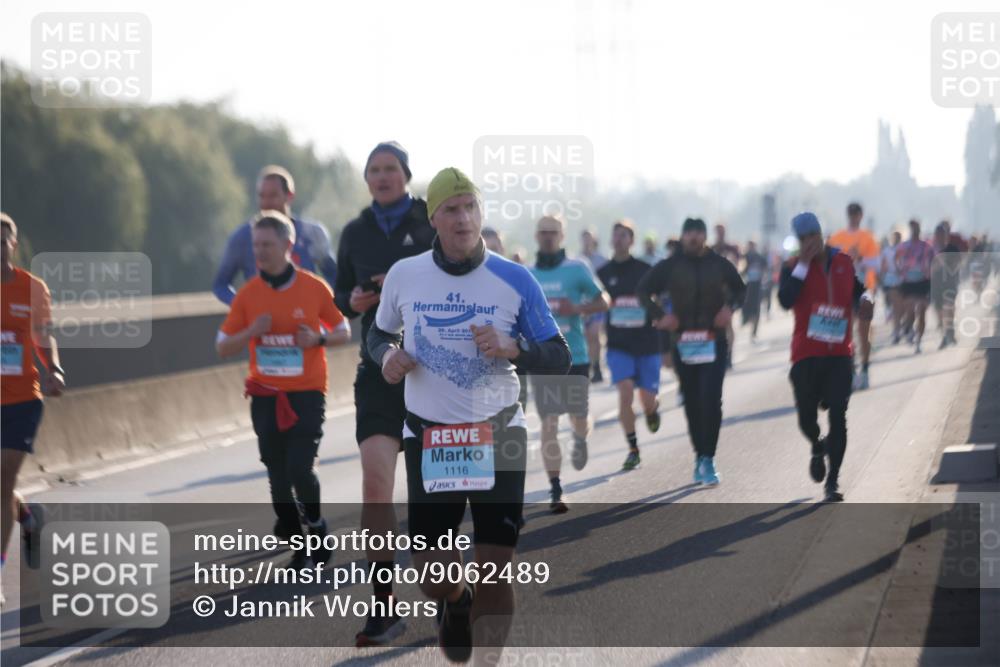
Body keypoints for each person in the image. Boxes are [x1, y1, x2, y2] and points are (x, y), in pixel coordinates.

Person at [367, 167, 570, 663]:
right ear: (433, 217)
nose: (463, 218)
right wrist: (387, 357)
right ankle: (456, 603)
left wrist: (513, 345)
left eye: (471, 207)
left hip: (498, 432)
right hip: (430, 437)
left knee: (495, 567)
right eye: (451, 210)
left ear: (482, 213)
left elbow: (559, 356)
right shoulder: (405, 275)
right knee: (434, 575)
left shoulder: (514, 278)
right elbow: (377, 334)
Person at [333, 141, 435, 646]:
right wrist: (353, 299)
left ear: (406, 174)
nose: (381, 176)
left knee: (432, 495)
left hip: (436, 373)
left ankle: (449, 594)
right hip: (378, 369)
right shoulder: (354, 232)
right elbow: (339, 299)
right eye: (373, 170)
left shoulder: (433, 220)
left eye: (390, 168)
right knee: (376, 487)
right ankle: (383, 607)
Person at [216, 210, 350, 570]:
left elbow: (343, 331)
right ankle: (297, 542)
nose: (259, 252)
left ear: (288, 245)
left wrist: (317, 337)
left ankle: (317, 527)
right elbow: (223, 345)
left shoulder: (314, 287)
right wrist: (251, 331)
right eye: (256, 245)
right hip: (264, 395)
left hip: (306, 393)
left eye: (267, 244)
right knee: (276, 478)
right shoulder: (248, 295)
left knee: (299, 469)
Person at [638, 218, 745, 486]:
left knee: (712, 399)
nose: (693, 238)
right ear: (683, 236)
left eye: (698, 233)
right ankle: (699, 454)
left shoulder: (718, 264)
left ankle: (708, 458)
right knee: (693, 402)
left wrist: (729, 309)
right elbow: (643, 291)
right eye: (689, 233)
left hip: (714, 340)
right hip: (683, 343)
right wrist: (661, 316)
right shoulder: (671, 266)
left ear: (705, 236)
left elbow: (740, 289)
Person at [779, 212, 873, 502]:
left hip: (839, 356)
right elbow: (785, 300)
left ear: (822, 235)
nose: (811, 243)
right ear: (799, 241)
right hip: (806, 355)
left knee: (838, 415)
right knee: (807, 419)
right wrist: (804, 266)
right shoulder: (793, 267)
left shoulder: (843, 261)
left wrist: (866, 300)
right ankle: (817, 447)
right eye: (804, 239)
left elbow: (859, 291)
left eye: (814, 236)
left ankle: (832, 482)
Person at [1, 213, 65, 585]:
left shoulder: (33, 288)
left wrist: (53, 368)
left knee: (4, 477)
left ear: (13, 243)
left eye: (2, 240)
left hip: (23, 397)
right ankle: (27, 518)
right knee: (1, 488)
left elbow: (43, 336)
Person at [530, 215, 609, 512]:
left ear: (562, 236)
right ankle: (555, 489)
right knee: (549, 422)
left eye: (553, 232)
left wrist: (576, 308)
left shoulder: (577, 269)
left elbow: (604, 301)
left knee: (578, 420)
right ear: (536, 237)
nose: (548, 237)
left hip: (576, 356)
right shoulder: (528, 273)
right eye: (543, 233)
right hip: (544, 359)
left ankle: (582, 432)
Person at [212, 165, 338, 305]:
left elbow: (335, 278)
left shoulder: (311, 233)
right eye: (262, 196)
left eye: (273, 195)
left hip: (305, 320)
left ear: (290, 196)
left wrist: (324, 307)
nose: (266, 203)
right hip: (265, 322)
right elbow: (221, 285)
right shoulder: (242, 237)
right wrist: (244, 307)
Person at [596, 220, 662, 471]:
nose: (619, 240)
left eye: (624, 236)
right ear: (611, 240)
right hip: (618, 344)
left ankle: (653, 409)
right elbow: (595, 300)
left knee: (646, 398)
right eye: (615, 236)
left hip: (646, 343)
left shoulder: (645, 269)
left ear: (631, 241)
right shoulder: (602, 273)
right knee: (625, 392)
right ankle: (633, 448)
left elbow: (657, 300)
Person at [828, 203, 879, 388]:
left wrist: (859, 258)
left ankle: (865, 368)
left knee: (863, 332)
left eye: (856, 214)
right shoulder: (836, 238)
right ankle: (851, 368)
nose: (853, 217)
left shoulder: (868, 237)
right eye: (850, 214)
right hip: (844, 291)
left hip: (865, 289)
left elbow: (876, 263)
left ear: (861, 215)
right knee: (846, 333)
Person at [894, 219, 936, 354]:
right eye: (913, 228)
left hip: (923, 281)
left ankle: (919, 340)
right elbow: (896, 259)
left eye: (917, 228)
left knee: (922, 312)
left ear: (919, 229)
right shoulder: (904, 246)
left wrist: (931, 272)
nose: (915, 231)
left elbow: (935, 261)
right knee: (910, 310)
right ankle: (910, 329)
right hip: (908, 282)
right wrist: (900, 270)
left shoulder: (927, 246)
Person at [580, 229, 608, 382]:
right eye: (584, 239)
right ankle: (589, 364)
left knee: (595, 335)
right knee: (586, 337)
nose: (586, 242)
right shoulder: (578, 259)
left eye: (588, 238)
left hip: (597, 303)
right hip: (583, 304)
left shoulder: (602, 260)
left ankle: (597, 367)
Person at [712, 224, 740, 367]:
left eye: (722, 231)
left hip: (729, 291)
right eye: (718, 232)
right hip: (714, 292)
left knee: (728, 323)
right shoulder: (711, 249)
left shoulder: (732, 248)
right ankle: (719, 353)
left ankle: (728, 355)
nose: (720, 234)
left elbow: (740, 265)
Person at [931, 223, 961, 349]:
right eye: (938, 235)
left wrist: (944, 262)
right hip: (936, 285)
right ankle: (945, 334)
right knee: (939, 312)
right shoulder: (931, 249)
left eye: (942, 235)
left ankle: (950, 332)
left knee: (949, 308)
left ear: (946, 235)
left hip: (950, 283)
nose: (940, 237)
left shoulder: (952, 249)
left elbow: (957, 265)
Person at [879, 231, 903, 341]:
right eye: (894, 238)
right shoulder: (886, 251)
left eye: (897, 238)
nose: (895, 240)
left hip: (901, 280)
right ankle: (896, 331)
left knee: (899, 307)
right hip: (890, 279)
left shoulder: (903, 250)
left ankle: (898, 329)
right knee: (895, 306)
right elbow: (883, 266)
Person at [741, 241, 768, 340]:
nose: (751, 248)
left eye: (752, 246)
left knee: (756, 309)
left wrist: (764, 278)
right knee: (746, 306)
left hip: (758, 286)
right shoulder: (745, 257)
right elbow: (741, 269)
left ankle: (754, 331)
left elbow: (765, 269)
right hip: (747, 285)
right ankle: (745, 320)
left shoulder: (759, 257)